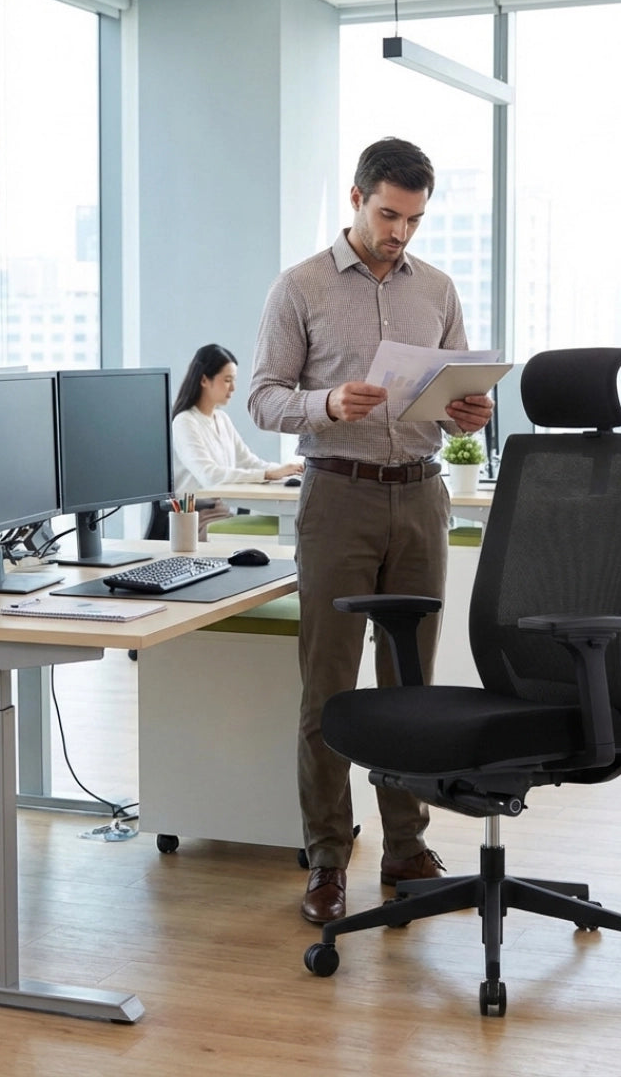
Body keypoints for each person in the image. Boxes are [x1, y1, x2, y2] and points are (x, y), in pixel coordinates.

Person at [248, 137, 493, 924]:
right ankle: (326, 857)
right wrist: (325, 405)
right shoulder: (301, 288)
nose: (401, 233)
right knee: (329, 687)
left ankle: (406, 845)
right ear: (356, 198)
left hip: (420, 497)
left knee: (410, 684)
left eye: (415, 219)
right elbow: (262, 398)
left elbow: (455, 387)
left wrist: (470, 410)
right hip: (338, 496)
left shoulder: (439, 290)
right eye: (389, 214)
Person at [171, 343, 302, 539]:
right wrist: (267, 474)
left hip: (224, 514)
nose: (233, 388)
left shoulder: (221, 419)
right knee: (288, 533)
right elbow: (209, 476)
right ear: (204, 380)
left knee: (295, 525)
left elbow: (248, 462)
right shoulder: (185, 422)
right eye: (227, 380)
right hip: (197, 520)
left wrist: (287, 470)